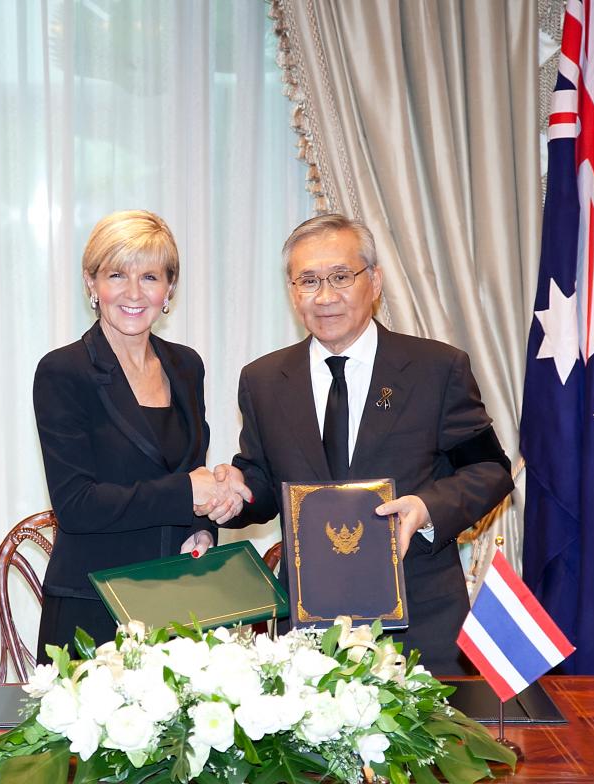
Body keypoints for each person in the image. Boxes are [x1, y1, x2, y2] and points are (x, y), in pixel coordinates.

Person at [219, 213, 513, 674]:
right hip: (307, 630)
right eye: (308, 280)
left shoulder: (436, 368)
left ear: (373, 282)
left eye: (341, 276)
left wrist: (427, 508)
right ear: (293, 293)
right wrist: (234, 491)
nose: (326, 296)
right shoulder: (263, 380)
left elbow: (490, 471)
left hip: (419, 617)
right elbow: (261, 480)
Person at [32, 210, 249, 660]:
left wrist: (204, 526)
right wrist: (189, 490)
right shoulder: (62, 371)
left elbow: (189, 471)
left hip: (180, 608)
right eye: (116, 274)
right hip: (92, 612)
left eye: (149, 276)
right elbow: (76, 506)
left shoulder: (187, 365)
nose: (133, 293)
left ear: (169, 288)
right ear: (91, 284)